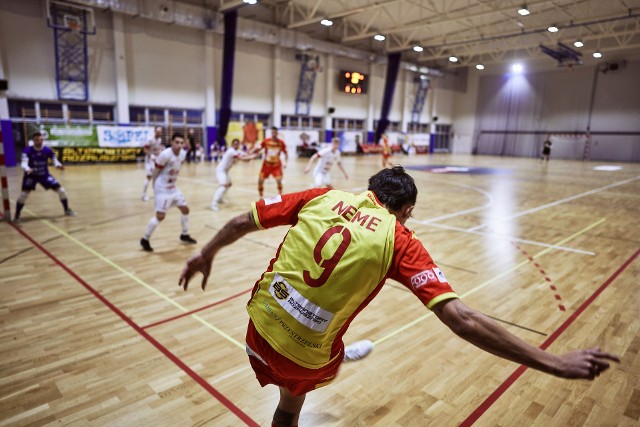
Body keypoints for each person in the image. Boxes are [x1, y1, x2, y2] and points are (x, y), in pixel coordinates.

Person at [178, 166, 619, 427]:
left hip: (257, 326)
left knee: (306, 345)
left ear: (369, 189)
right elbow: (462, 318)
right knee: (294, 401)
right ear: (405, 211)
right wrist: (554, 362)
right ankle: (336, 358)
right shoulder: (400, 239)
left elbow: (240, 222)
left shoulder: (321, 196)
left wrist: (204, 252)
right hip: (305, 355)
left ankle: (336, 354)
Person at [140, 132, 197, 252]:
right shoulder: (165, 155)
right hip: (162, 189)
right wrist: (155, 186)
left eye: (181, 143)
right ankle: (145, 239)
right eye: (177, 142)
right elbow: (156, 171)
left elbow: (188, 150)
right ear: (171, 142)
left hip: (173, 188)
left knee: (185, 209)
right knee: (160, 216)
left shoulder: (182, 154)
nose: (179, 145)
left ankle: (184, 234)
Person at [13, 131, 75, 222]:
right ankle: (17, 214)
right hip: (31, 176)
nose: (39, 141)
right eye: (37, 140)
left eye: (41, 139)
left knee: (61, 190)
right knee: (24, 195)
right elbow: (23, 163)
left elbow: (55, 160)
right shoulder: (27, 150)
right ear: (33, 141)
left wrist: (58, 165)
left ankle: (67, 210)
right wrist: (27, 169)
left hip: (44, 175)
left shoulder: (47, 150)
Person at [210, 138, 256, 211]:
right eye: (235, 144)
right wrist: (252, 157)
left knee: (229, 184)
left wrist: (253, 154)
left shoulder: (237, 151)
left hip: (225, 171)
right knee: (223, 186)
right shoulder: (231, 151)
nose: (236, 145)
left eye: (237, 144)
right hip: (220, 170)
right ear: (232, 144)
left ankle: (220, 198)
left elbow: (246, 155)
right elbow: (243, 159)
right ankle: (213, 204)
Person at [252, 126, 288, 199]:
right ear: (271, 133)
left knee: (279, 181)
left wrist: (285, 162)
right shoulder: (266, 141)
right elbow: (258, 148)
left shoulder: (281, 143)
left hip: (276, 165)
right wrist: (251, 152)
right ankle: (261, 196)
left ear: (277, 133)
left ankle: (280, 195)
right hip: (266, 165)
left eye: (275, 132)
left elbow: (286, 153)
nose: (274, 134)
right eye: (272, 132)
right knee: (260, 181)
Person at [141, 127, 164, 202]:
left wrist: (160, 154)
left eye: (160, 132)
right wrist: (151, 155)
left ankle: (155, 193)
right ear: (155, 132)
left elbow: (158, 149)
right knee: (149, 176)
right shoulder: (150, 139)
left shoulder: (159, 139)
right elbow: (145, 149)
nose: (159, 133)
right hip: (149, 160)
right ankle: (143, 195)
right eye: (158, 131)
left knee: (156, 177)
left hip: (155, 160)